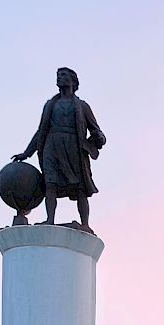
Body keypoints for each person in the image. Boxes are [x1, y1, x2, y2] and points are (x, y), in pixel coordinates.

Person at [13, 66, 106, 230]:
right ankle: (50, 219)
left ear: (73, 81)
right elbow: (41, 131)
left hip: (74, 147)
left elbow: (96, 130)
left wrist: (99, 138)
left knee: (80, 187)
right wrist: (27, 153)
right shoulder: (50, 104)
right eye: (58, 75)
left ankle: (85, 224)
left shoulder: (82, 106)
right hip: (51, 146)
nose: (59, 77)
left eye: (63, 75)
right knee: (50, 183)